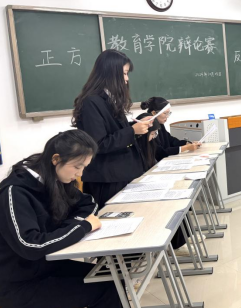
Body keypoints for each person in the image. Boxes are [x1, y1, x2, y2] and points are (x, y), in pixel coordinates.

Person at [0, 130, 135, 308]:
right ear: (56, 159)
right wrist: (82, 228)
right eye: (77, 167)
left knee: (112, 279)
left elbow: (88, 203)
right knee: (103, 290)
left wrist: (73, 225)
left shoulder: (55, 179)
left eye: (84, 167)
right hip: (18, 285)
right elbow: (31, 246)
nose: (79, 174)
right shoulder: (14, 193)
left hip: (46, 268)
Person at [72, 50, 152, 209]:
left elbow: (114, 132)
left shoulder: (110, 99)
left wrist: (136, 127)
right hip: (107, 179)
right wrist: (132, 131)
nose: (127, 79)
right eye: (124, 73)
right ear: (111, 73)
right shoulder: (91, 102)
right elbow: (98, 144)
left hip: (121, 174)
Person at [133, 113, 190, 257]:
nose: (154, 137)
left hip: (152, 183)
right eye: (152, 134)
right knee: (171, 203)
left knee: (180, 197)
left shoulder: (150, 143)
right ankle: (177, 244)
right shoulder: (135, 148)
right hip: (142, 189)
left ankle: (185, 238)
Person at [140, 97, 201, 161]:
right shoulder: (148, 128)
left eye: (169, 113)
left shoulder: (160, 125)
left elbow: (171, 140)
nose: (167, 116)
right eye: (165, 113)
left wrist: (187, 143)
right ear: (154, 113)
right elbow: (160, 153)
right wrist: (186, 148)